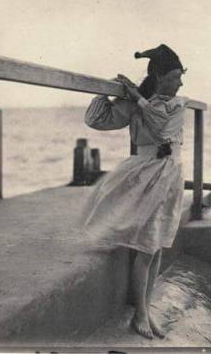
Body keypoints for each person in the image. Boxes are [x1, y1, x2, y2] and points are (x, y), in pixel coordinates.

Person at [81, 44, 188, 339]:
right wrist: (107, 93)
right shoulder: (139, 103)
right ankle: (140, 312)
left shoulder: (177, 106)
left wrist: (138, 97)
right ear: (159, 76)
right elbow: (97, 120)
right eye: (176, 76)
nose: (180, 83)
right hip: (147, 175)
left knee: (157, 246)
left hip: (171, 174)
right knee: (146, 246)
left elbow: (162, 127)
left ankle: (147, 307)